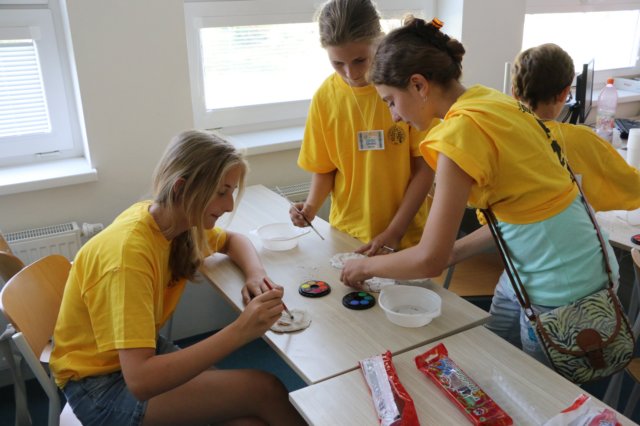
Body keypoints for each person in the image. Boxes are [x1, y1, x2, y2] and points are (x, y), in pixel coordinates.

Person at [340, 17, 619, 365]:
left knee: (537, 381)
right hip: (559, 264)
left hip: (564, 287)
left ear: (418, 85)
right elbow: (518, 213)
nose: (394, 116)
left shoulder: (459, 136)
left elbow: (430, 260)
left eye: (390, 101)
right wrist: (449, 252)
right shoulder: (490, 100)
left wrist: (366, 268)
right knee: (490, 357)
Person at [50, 130, 306, 425]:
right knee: (265, 389)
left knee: (249, 421)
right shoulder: (128, 257)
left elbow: (232, 240)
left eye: (232, 192)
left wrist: (256, 275)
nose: (229, 205)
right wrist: (240, 331)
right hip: (101, 387)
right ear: (182, 188)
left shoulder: (175, 222)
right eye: (221, 192)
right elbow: (141, 381)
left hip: (137, 356)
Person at [454, 43, 640, 348]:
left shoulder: (502, 143)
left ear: (513, 91)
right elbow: (632, 189)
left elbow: (494, 219)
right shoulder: (581, 140)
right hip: (559, 279)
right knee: (542, 363)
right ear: (565, 92)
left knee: (496, 348)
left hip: (521, 270)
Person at [291, 0, 438, 255]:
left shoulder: (406, 88)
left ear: (378, 41)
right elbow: (325, 169)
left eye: (360, 60)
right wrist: (310, 208)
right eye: (338, 63)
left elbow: (424, 170)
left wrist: (394, 232)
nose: (351, 73)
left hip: (406, 236)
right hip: (347, 234)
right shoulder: (325, 97)